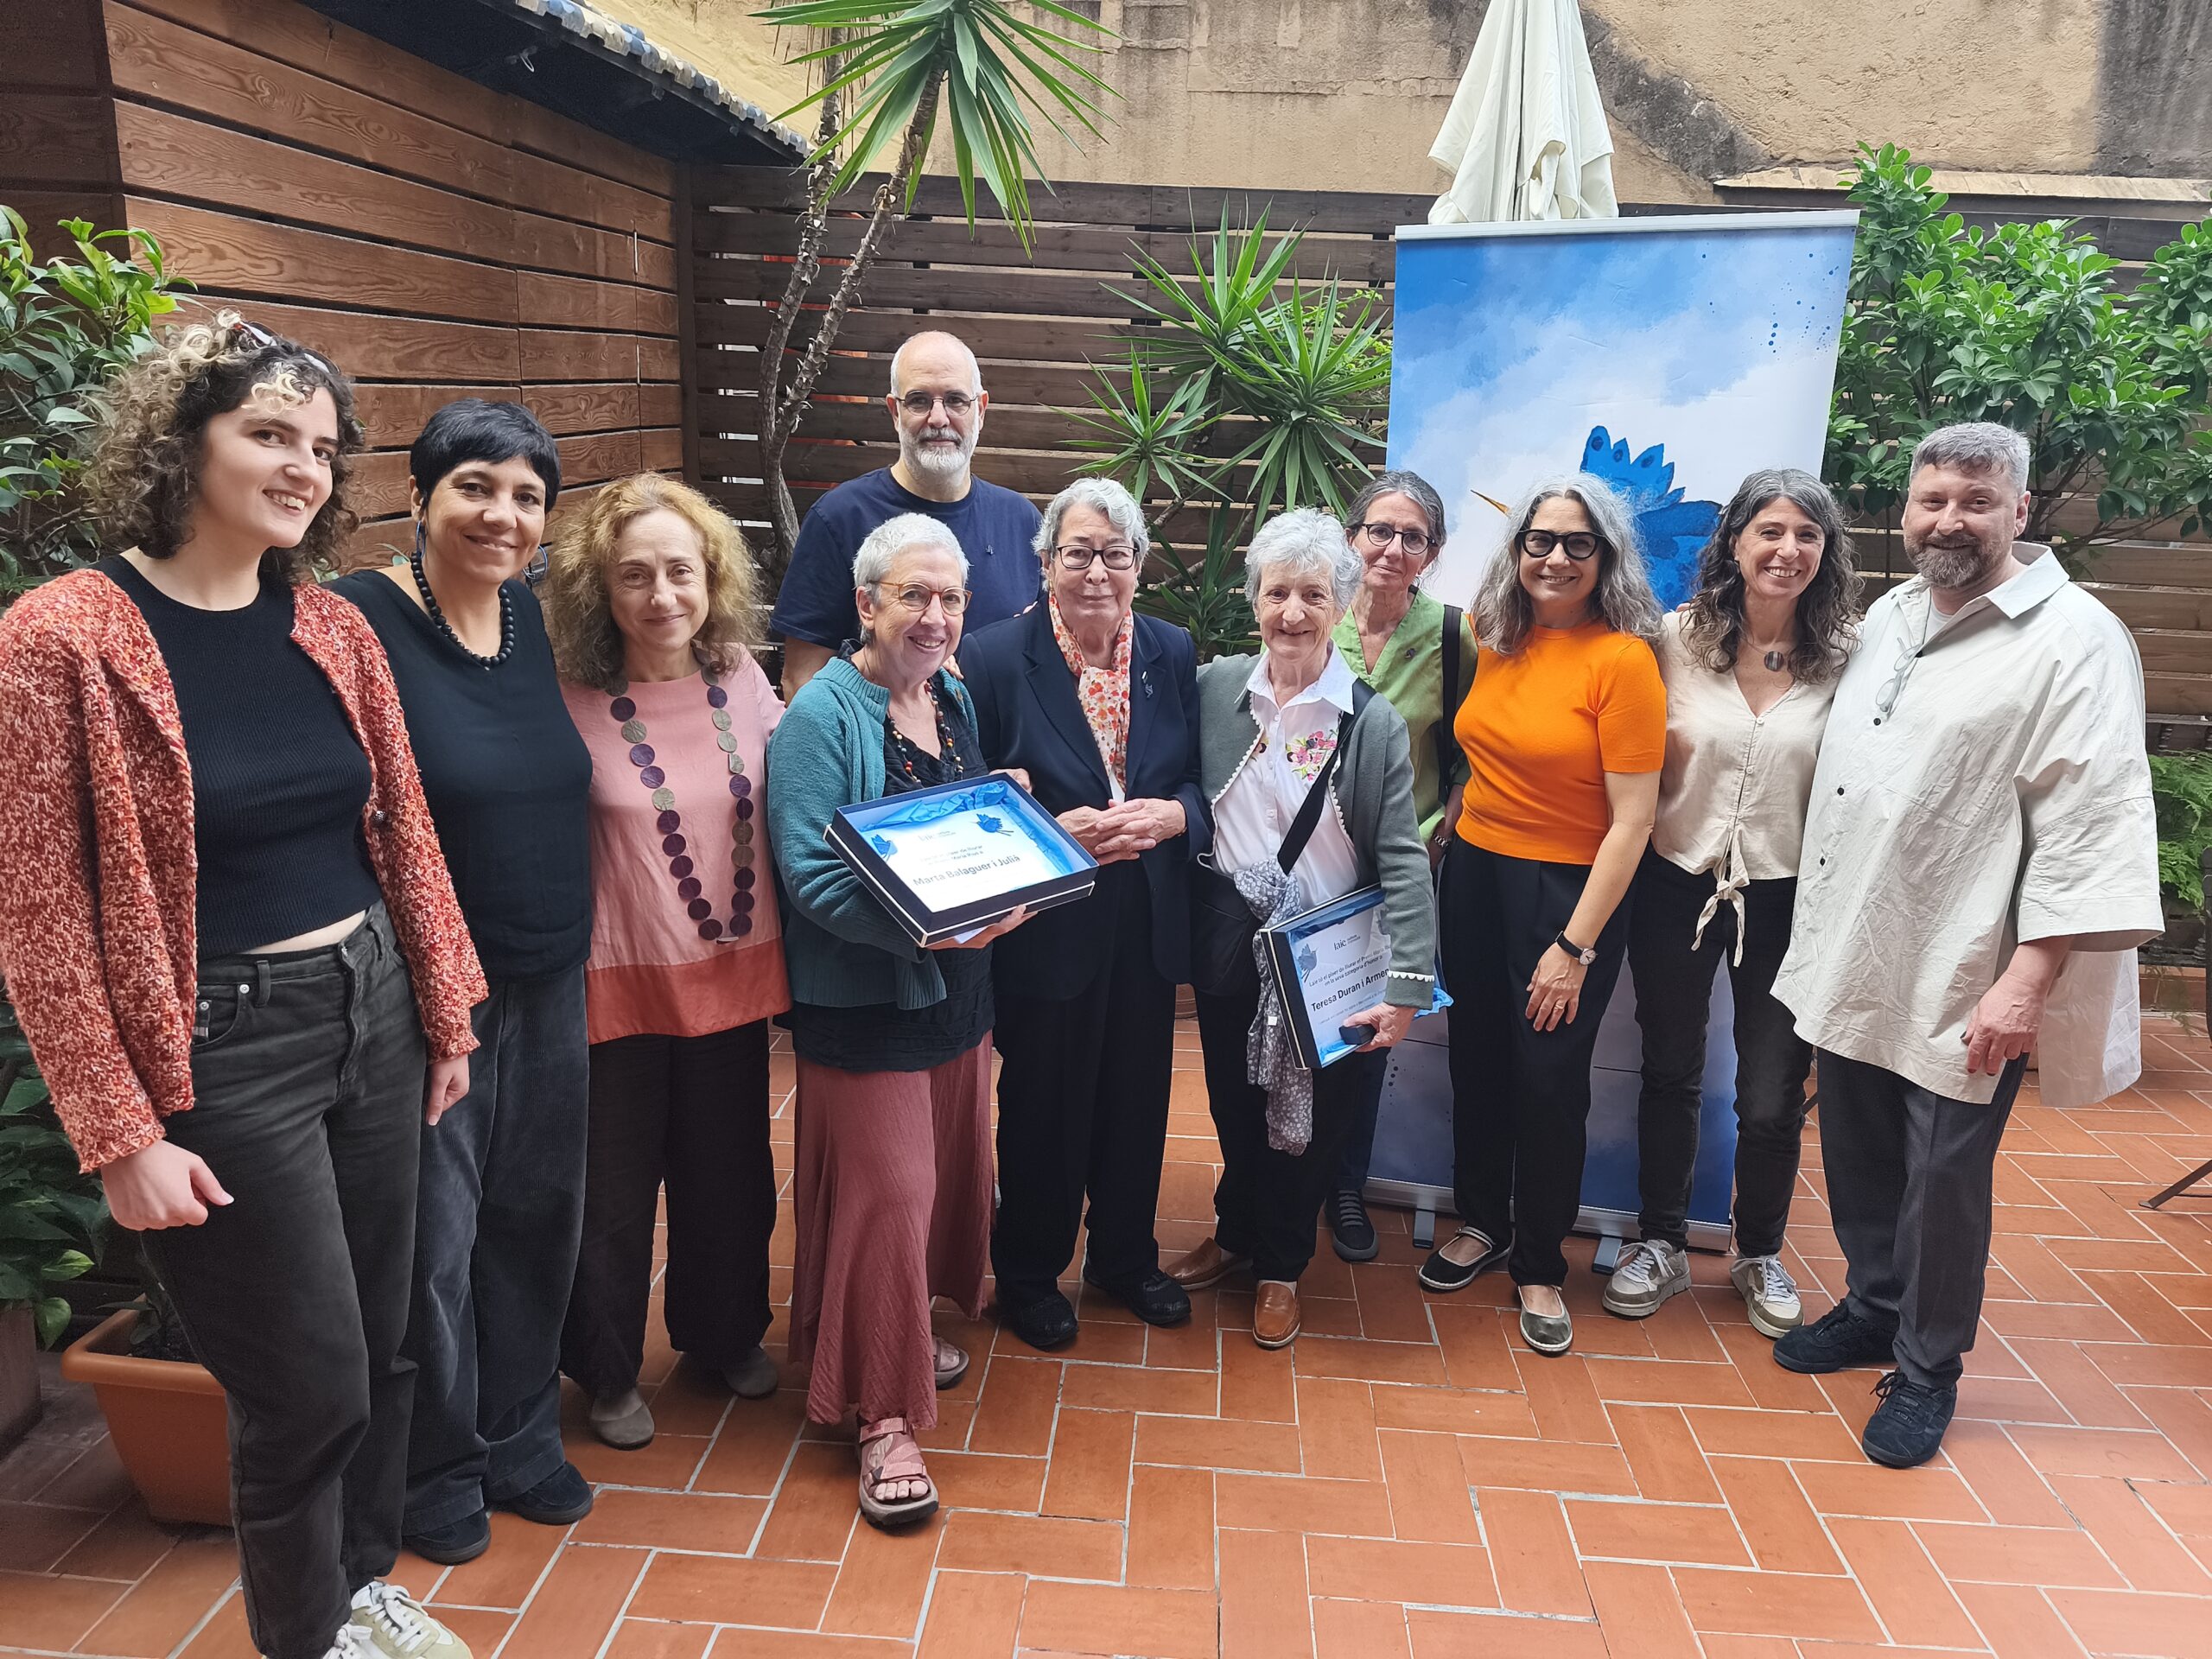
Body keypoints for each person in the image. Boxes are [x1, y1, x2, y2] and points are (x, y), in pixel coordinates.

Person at [0, 315, 485, 1659]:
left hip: (372, 1009)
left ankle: (364, 1587)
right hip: (220, 1049)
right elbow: (40, 918)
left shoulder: (330, 627)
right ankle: (309, 1634)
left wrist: (443, 1011)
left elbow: (400, 833)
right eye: (268, 433)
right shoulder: (63, 640)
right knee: (306, 1385)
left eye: (321, 448)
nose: (302, 468)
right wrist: (119, 1136)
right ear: (182, 441)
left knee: (384, 1350)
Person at [1769, 423, 2160, 1469]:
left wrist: (2027, 980)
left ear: (2020, 512)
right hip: (1858, 939)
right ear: (1903, 510)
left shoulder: (2073, 640)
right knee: (1849, 1143)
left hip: (1966, 965)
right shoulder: (1891, 614)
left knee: (1941, 1172)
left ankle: (1927, 1368)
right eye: (1932, 499)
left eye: (1976, 503)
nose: (1950, 520)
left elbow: (2089, 822)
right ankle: (1871, 1303)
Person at [327, 401, 593, 1565]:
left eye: (528, 495)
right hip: (432, 999)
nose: (504, 514)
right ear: (421, 495)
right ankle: (435, 1462)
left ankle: (520, 1428)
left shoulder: (534, 622)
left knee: (536, 1215)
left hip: (550, 976)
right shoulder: (357, 624)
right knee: (433, 1243)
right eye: (477, 486)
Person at [766, 512, 1027, 1529]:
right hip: (872, 1002)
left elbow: (947, 823)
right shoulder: (822, 717)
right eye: (913, 595)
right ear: (865, 602)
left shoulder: (949, 693)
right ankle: (882, 1418)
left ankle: (898, 1332)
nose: (935, 615)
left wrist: (1010, 815)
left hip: (959, 998)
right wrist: (925, 935)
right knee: (891, 1193)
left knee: (943, 1175)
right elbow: (812, 876)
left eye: (951, 598)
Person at [543, 474, 791, 1452]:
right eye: (634, 575)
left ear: (712, 577)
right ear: (598, 588)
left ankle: (722, 1337)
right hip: (619, 984)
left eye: (680, 571)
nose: (661, 596)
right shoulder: (565, 694)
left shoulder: (743, 677)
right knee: (608, 1197)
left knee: (728, 1176)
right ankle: (605, 1373)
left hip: (734, 974)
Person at [1164, 507, 1436, 1351]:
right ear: (1254, 599)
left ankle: (1280, 1265)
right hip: (1229, 939)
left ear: (1341, 602)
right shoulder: (1215, 689)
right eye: (1277, 591)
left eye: (1313, 594)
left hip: (1332, 957)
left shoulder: (1370, 721)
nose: (1292, 611)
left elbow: (1400, 856)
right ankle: (1237, 1233)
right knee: (1234, 1105)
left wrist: (1407, 988)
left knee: (1314, 1120)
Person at [1602, 470, 1859, 1336]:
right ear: (1737, 544)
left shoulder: (1850, 659)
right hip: (1675, 880)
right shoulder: (1674, 641)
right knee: (1671, 1070)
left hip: (1788, 895)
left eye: (1806, 537)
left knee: (1771, 1094)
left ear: (1825, 554)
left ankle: (1758, 1253)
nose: (1786, 551)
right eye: (1769, 532)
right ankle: (1661, 1243)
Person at [1418, 476, 1665, 1359]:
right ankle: (1480, 1222)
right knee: (1478, 1056)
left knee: (1551, 1079)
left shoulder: (1624, 661)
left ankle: (1538, 1264)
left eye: (1576, 543)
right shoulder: (1492, 635)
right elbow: (1476, 756)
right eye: (1539, 540)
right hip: (1476, 873)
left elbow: (1633, 820)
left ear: (1604, 557)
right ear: (1516, 549)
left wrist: (1574, 947)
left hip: (1569, 896)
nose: (1554, 558)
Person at [963, 478, 1207, 1351]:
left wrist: (1176, 815)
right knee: (1043, 1101)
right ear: (1044, 563)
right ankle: (1029, 1274)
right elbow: (970, 796)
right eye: (1078, 553)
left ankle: (1123, 1258)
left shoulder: (1173, 653)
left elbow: (1202, 780)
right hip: (1047, 925)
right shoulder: (992, 657)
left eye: (1115, 553)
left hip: (1144, 917)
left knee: (1138, 1097)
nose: (1096, 571)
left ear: (1138, 565)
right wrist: (1042, 832)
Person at [1325, 469, 1477, 1262]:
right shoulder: (1312, 611)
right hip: (1306, 870)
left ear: (1433, 553)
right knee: (1288, 1024)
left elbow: (1465, 758)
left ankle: (1345, 1185)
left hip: (1396, 873)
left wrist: (1438, 837)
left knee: (1362, 1034)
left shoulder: (1455, 638)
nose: (1390, 549)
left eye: (1410, 537)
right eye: (1377, 531)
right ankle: (1268, 1182)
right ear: (1350, 538)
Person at [770, 330, 1042, 697]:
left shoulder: (1021, 521)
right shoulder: (840, 518)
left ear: (980, 410)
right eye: (918, 401)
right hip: (881, 752)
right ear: (894, 412)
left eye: (956, 400)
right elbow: (802, 678)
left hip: (1005, 753)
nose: (938, 418)